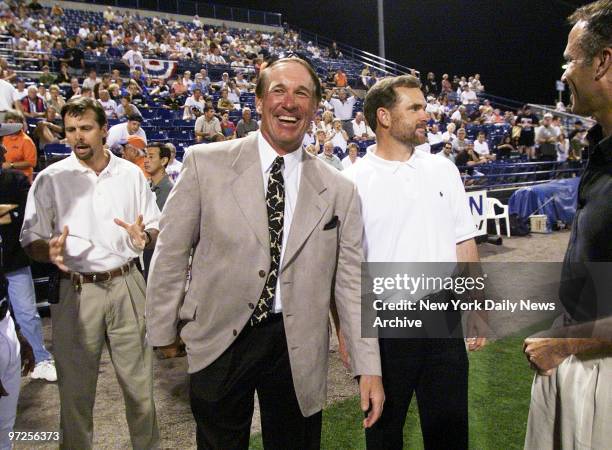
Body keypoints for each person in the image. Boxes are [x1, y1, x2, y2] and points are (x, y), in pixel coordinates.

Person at [146, 57, 383, 449]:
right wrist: (162, 328)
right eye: (278, 90)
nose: (289, 102)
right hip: (219, 337)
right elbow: (171, 253)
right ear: (258, 102)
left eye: (301, 93)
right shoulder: (205, 164)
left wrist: (368, 367)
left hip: (298, 344)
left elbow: (353, 285)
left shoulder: (340, 190)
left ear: (314, 107)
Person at [343, 75, 486, 450]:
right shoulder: (351, 182)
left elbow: (463, 238)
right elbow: (346, 271)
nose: (427, 114)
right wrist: (349, 337)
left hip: (443, 315)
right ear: (384, 117)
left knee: (450, 433)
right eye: (416, 108)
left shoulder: (443, 169)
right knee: (384, 433)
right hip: (388, 322)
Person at [20, 97, 161, 449]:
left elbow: (155, 225)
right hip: (75, 291)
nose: (78, 137)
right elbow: (30, 239)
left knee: (141, 393)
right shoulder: (51, 178)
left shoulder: (131, 174)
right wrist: (47, 250)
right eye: (70, 130)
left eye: (85, 129)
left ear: (102, 130)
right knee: (75, 398)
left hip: (128, 282)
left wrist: (144, 237)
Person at [523, 2, 612, 448]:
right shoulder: (600, 148)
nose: (563, 73)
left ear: (603, 61)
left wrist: (566, 344)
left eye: (570, 59)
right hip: (577, 360)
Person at [1, 110, 36, 183]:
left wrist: (11, 165)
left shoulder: (26, 141)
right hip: (5, 177)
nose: (13, 125)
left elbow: (31, 163)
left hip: (22, 179)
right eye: (10, 122)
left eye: (16, 122)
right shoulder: (3, 138)